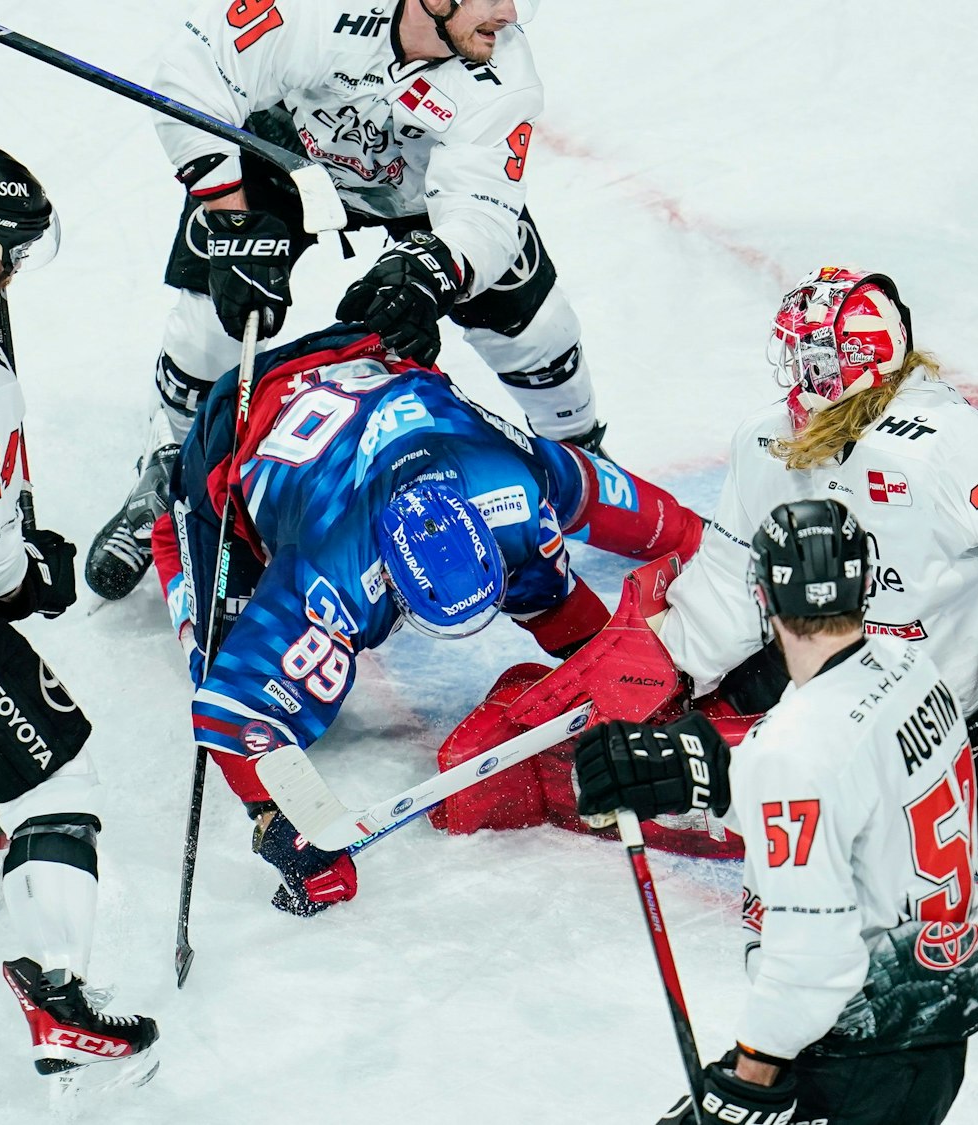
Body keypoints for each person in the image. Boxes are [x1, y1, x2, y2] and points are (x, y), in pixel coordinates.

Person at [654, 266, 978, 931]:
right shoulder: (763, 442)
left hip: (956, 721)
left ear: (862, 357)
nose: (802, 375)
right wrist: (666, 665)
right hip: (832, 696)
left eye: (817, 358)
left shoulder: (944, 443)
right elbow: (733, 579)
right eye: (796, 354)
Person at [157, 324, 700, 916]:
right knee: (215, 651)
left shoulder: (511, 481)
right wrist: (281, 826)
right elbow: (233, 710)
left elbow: (625, 508)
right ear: (388, 580)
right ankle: (165, 506)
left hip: (374, 358)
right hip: (243, 422)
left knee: (539, 576)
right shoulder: (333, 571)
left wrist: (721, 562)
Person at [86, 0, 597, 602]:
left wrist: (432, 271)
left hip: (419, 194)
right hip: (284, 158)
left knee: (537, 328)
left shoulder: (502, 72)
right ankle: (168, 461)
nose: (509, 13)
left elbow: (483, 209)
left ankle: (582, 454)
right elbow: (195, 71)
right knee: (211, 324)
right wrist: (230, 223)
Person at [574, 499, 978, 1125]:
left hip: (849, 1050)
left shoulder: (798, 751)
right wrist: (710, 776)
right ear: (866, 583)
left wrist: (752, 1075)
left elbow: (814, 957)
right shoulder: (912, 668)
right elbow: (852, 799)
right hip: (932, 1021)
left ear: (761, 595)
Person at [0, 145, 159, 1087]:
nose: (10, 273)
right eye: (7, 253)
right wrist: (36, 572)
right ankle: (64, 1003)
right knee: (63, 777)